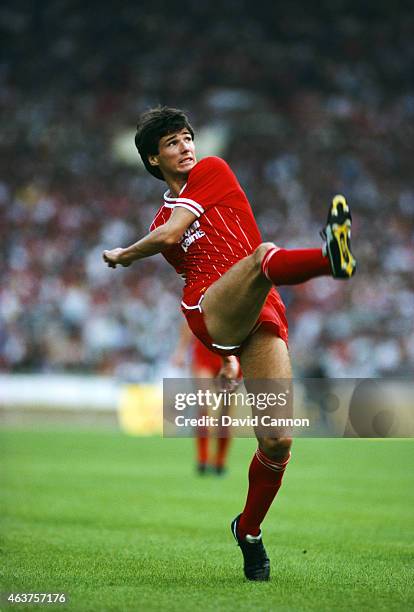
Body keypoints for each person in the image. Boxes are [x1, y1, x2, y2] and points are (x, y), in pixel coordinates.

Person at [103, 106, 356, 581]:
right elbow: (177, 240)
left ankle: (249, 530)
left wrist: (124, 253)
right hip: (209, 308)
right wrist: (222, 348)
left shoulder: (213, 171)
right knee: (262, 257)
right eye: (173, 142)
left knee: (278, 440)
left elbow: (171, 235)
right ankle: (329, 257)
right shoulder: (164, 216)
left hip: (259, 311)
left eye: (188, 137)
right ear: (154, 160)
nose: (187, 147)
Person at [172, 321, 240, 475]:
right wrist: (181, 351)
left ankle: (220, 462)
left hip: (232, 355)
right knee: (204, 406)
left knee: (225, 413)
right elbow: (190, 321)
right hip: (205, 354)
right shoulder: (205, 297)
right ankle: (202, 459)